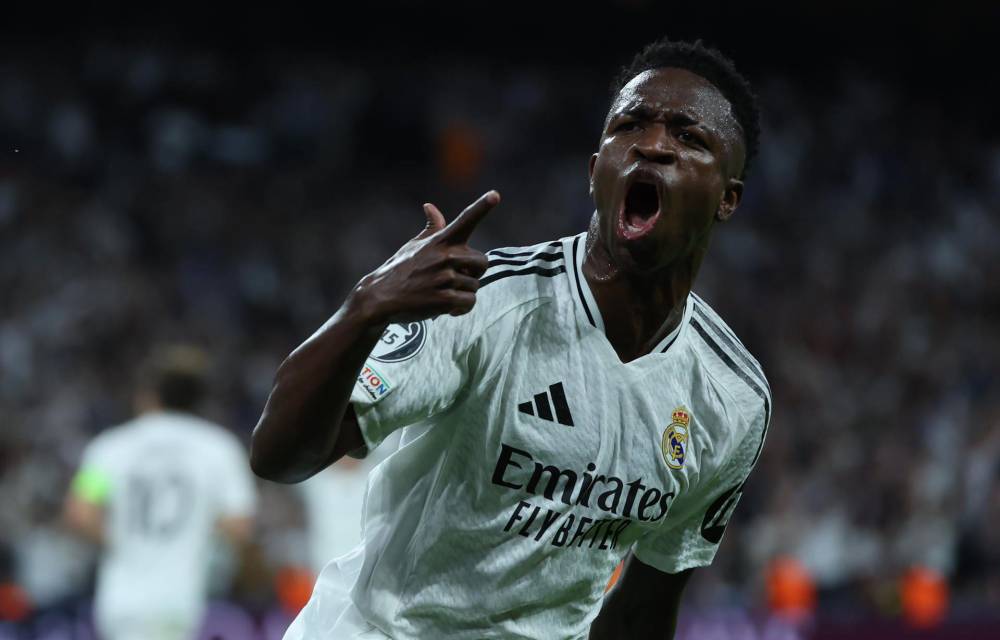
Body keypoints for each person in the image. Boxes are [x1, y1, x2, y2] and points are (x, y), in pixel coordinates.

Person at [251, 36, 771, 639]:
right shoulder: (485, 301)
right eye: (630, 125)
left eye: (689, 137)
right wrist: (365, 308)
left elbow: (644, 607)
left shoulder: (732, 397)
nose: (653, 144)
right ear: (595, 168)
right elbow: (279, 455)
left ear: (727, 198)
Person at [64, 345, 257, 640]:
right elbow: (240, 526)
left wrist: (123, 543)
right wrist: (198, 532)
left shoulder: (110, 447)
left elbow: (81, 511)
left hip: (119, 597)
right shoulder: (219, 449)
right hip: (178, 597)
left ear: (149, 396)